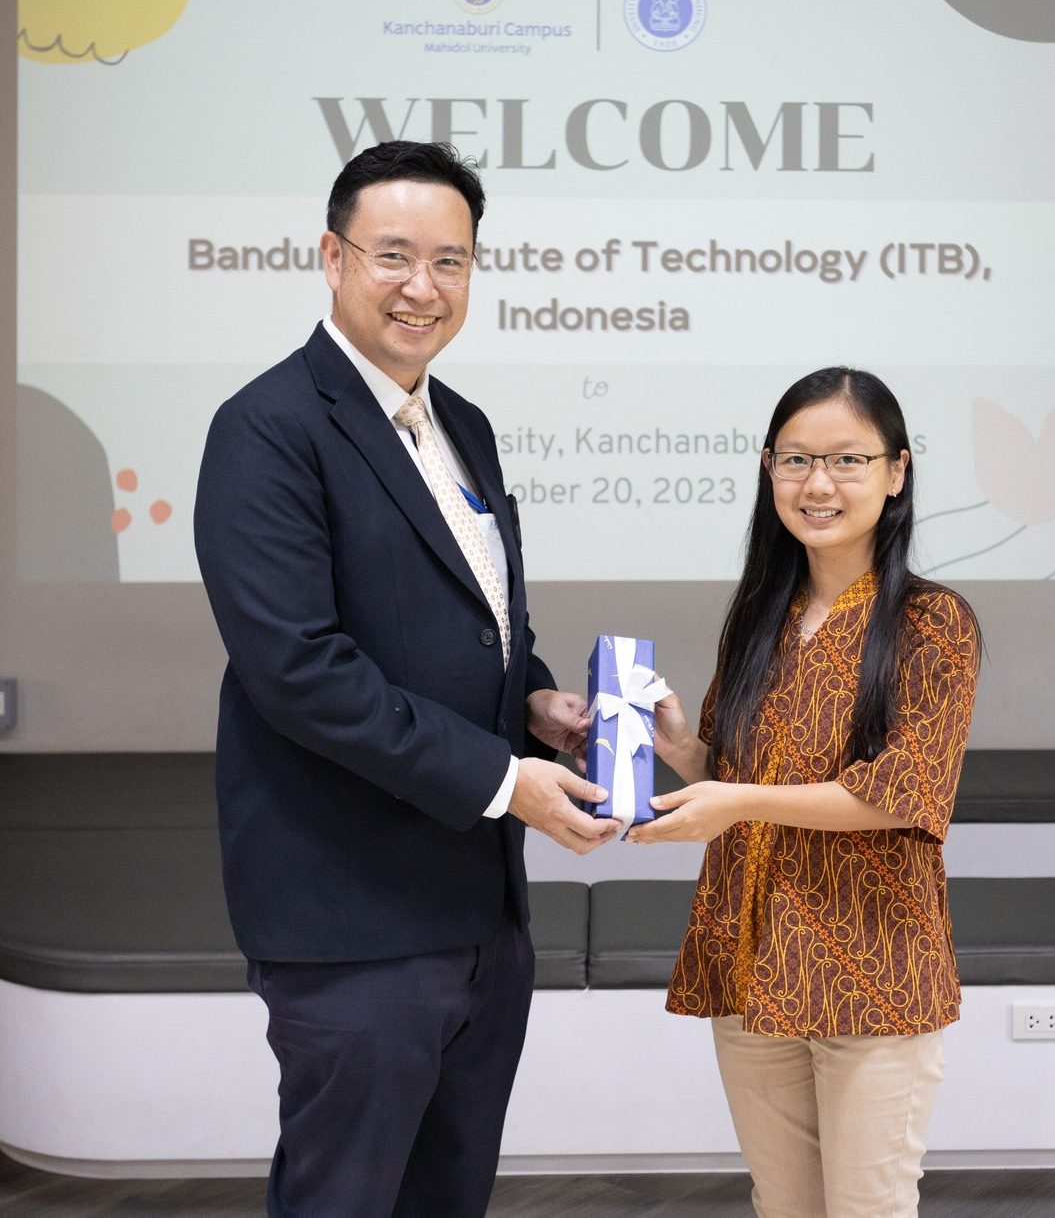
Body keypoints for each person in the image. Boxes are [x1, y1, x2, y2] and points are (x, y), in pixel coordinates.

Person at [194, 140, 619, 1218]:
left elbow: (481, 625)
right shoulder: (267, 428)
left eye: (450, 261)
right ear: (332, 258)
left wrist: (536, 702)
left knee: (447, 1198)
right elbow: (300, 670)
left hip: (481, 914)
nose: (422, 286)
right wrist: (506, 780)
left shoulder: (461, 424)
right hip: (353, 920)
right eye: (393, 255)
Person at [629, 366, 979, 1218]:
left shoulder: (932, 621)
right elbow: (733, 778)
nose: (817, 484)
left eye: (846, 460)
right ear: (768, 469)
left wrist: (738, 800)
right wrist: (682, 749)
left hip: (873, 970)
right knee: (782, 1206)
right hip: (755, 963)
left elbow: (900, 793)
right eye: (795, 460)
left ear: (895, 472)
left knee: (866, 1207)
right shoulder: (762, 613)